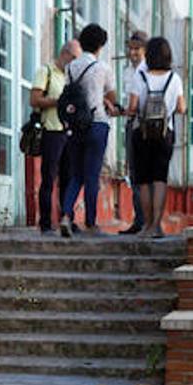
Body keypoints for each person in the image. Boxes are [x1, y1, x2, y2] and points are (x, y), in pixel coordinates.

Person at [59, 23, 117, 238]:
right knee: (92, 175)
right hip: (97, 123)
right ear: (100, 45)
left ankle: (66, 215)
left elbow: (73, 93)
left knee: (76, 175)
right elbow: (112, 98)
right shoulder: (103, 68)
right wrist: (105, 99)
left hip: (75, 126)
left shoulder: (70, 67)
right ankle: (91, 223)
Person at [125, 36, 185, 239]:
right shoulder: (174, 79)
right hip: (164, 133)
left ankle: (147, 225)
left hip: (141, 133)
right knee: (160, 179)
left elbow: (133, 108)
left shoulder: (140, 77)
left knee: (143, 181)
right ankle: (157, 226)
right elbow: (182, 107)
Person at [30, 41, 79, 233]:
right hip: (52, 130)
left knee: (68, 178)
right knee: (49, 178)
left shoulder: (72, 76)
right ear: (64, 54)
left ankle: (67, 220)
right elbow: (34, 100)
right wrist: (58, 102)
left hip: (69, 132)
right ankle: (45, 223)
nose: (75, 62)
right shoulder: (46, 71)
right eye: (74, 58)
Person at [118, 30, 149, 235]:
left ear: (145, 50)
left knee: (142, 174)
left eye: (137, 48)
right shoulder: (129, 71)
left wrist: (120, 111)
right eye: (130, 48)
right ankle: (141, 220)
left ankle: (144, 221)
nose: (133, 52)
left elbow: (134, 105)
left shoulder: (146, 71)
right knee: (135, 173)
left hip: (144, 126)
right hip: (133, 123)